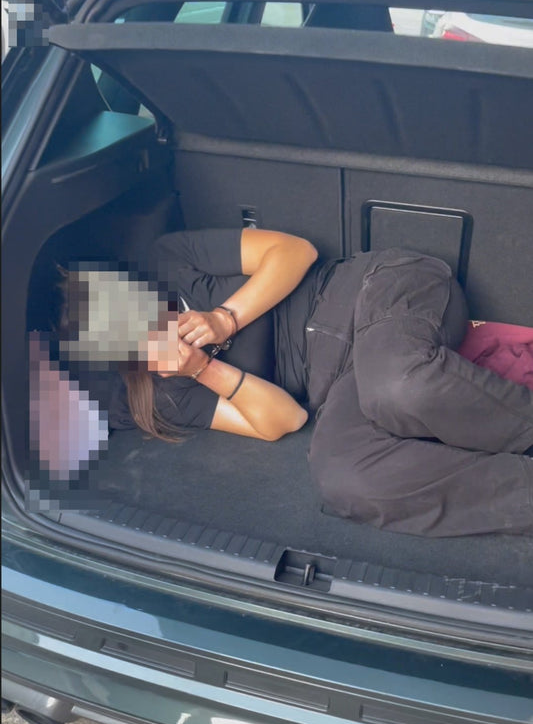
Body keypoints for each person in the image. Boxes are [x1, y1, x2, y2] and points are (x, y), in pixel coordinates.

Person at [39, 226, 533, 537]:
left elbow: (294, 250)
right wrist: (202, 369)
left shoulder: (169, 259)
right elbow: (284, 419)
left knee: (398, 386)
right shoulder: (161, 392)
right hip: (343, 380)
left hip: (377, 290)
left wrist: (224, 319)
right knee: (345, 480)